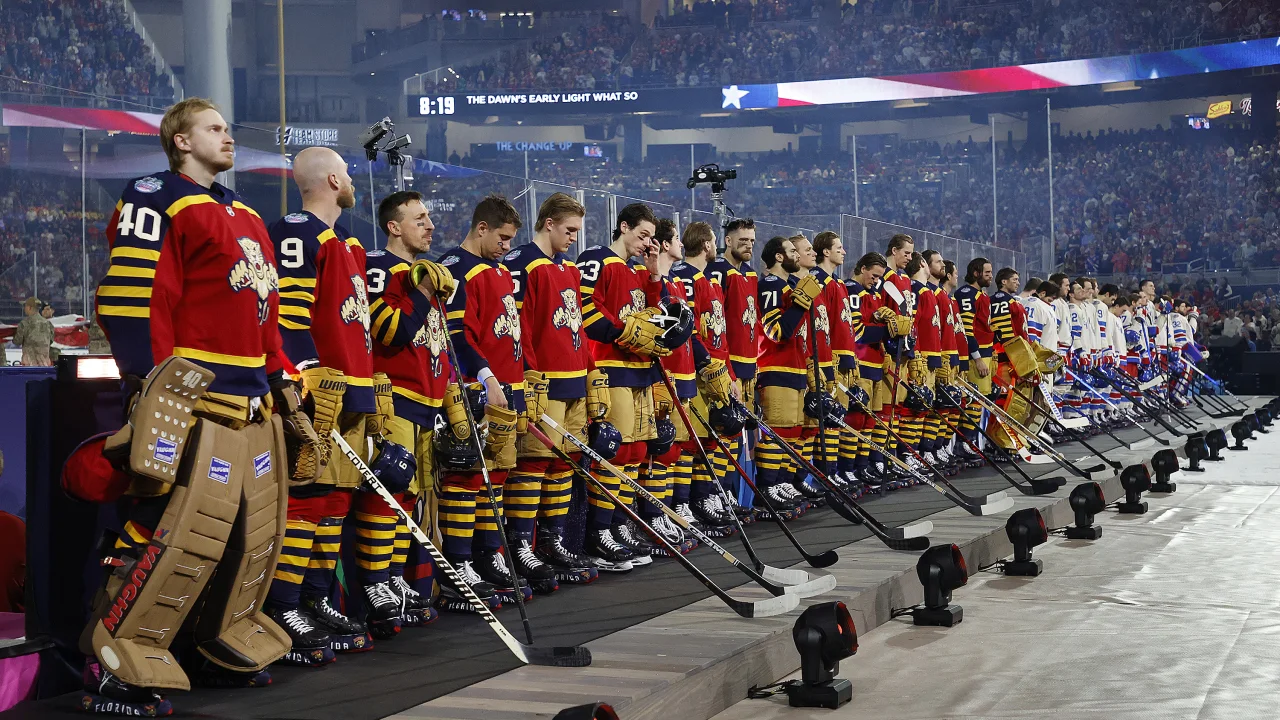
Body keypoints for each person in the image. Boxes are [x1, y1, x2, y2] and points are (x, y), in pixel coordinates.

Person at [82, 97, 295, 715]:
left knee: (244, 536)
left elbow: (264, 313)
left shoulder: (249, 215)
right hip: (191, 398)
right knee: (170, 527)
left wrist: (282, 376)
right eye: (214, 129)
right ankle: (114, 657)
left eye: (229, 128)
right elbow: (131, 293)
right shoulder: (155, 197)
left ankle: (208, 645)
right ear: (180, 140)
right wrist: (150, 382)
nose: (228, 138)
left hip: (252, 403)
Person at [265, 146, 391, 654]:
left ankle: (316, 598)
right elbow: (288, 317)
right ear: (334, 179)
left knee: (335, 499)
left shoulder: (344, 242)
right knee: (308, 497)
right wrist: (308, 381)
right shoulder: (298, 230)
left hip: (351, 388)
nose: (354, 179)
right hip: (322, 391)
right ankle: (283, 606)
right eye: (349, 172)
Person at [358, 190, 461, 625]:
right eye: (419, 219)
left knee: (413, 497)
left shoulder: (427, 273)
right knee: (390, 491)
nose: (430, 225)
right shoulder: (380, 266)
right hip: (394, 398)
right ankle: (375, 581)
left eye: (429, 218)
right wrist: (420, 290)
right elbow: (392, 331)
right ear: (393, 226)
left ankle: (397, 575)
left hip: (429, 402)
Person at [502, 192, 602, 584]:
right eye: (569, 230)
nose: (574, 237)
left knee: (565, 463)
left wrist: (591, 374)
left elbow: (576, 325)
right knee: (533, 465)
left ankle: (552, 540)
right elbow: (517, 327)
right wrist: (527, 376)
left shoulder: (568, 269)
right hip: (543, 385)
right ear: (548, 224)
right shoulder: (522, 264)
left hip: (574, 381)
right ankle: (521, 545)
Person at [437, 195, 526, 602]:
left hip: (507, 388)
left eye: (511, 239)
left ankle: (488, 555)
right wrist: (486, 376)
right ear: (482, 228)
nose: (507, 246)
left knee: (499, 476)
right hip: (474, 388)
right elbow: (457, 335)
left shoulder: (499, 271)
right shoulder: (457, 269)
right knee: (470, 476)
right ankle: (459, 564)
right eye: (502, 237)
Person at [576, 202, 665, 571]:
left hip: (640, 370)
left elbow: (655, 314)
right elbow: (582, 308)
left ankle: (618, 524)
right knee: (615, 451)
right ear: (623, 227)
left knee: (635, 453)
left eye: (651, 238)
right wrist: (620, 332)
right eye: (642, 235)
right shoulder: (597, 258)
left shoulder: (637, 270)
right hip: (610, 367)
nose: (647, 243)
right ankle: (599, 533)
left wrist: (655, 273)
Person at [670, 220, 738, 536]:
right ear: (708, 244)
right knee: (690, 441)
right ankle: (687, 502)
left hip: (716, 374)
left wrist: (728, 373)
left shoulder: (709, 281)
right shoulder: (686, 278)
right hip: (696, 374)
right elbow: (689, 331)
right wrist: (707, 364)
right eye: (714, 241)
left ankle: (707, 497)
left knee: (712, 438)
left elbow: (720, 336)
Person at [753, 235, 821, 517]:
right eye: (792, 250)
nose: (797, 255)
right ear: (779, 257)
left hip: (794, 368)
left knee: (792, 432)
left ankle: (781, 483)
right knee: (777, 432)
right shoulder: (770, 284)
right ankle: (766, 490)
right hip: (775, 367)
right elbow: (777, 332)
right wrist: (799, 305)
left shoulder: (790, 286)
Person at [848, 252, 890, 487]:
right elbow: (857, 332)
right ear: (862, 268)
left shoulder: (873, 293)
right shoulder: (852, 290)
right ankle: (849, 468)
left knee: (871, 421)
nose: (876, 281)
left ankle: (864, 466)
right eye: (874, 276)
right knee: (856, 419)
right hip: (860, 363)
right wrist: (887, 331)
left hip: (875, 363)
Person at [953, 258, 993, 465]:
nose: (990, 276)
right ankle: (963, 443)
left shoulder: (981, 295)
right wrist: (977, 358)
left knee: (979, 401)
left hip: (985, 355)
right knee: (972, 401)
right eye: (987, 272)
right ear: (976, 273)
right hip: (973, 357)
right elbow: (967, 330)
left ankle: (970, 442)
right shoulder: (967, 294)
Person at [13, 297, 53, 366]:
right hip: (44, 364)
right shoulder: (48, 324)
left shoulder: (24, 323)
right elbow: (51, 340)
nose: (24, 308)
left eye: (25, 306)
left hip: (29, 364)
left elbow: (17, 341)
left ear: (30, 308)